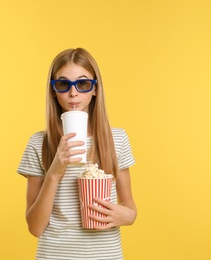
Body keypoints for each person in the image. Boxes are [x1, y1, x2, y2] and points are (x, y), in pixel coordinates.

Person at [17, 48, 137, 259]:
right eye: (63, 84)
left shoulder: (117, 139)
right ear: (53, 90)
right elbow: (35, 227)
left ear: (95, 89)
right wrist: (54, 172)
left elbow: (129, 205)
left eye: (82, 84)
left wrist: (126, 215)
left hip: (105, 254)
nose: (73, 93)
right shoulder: (38, 143)